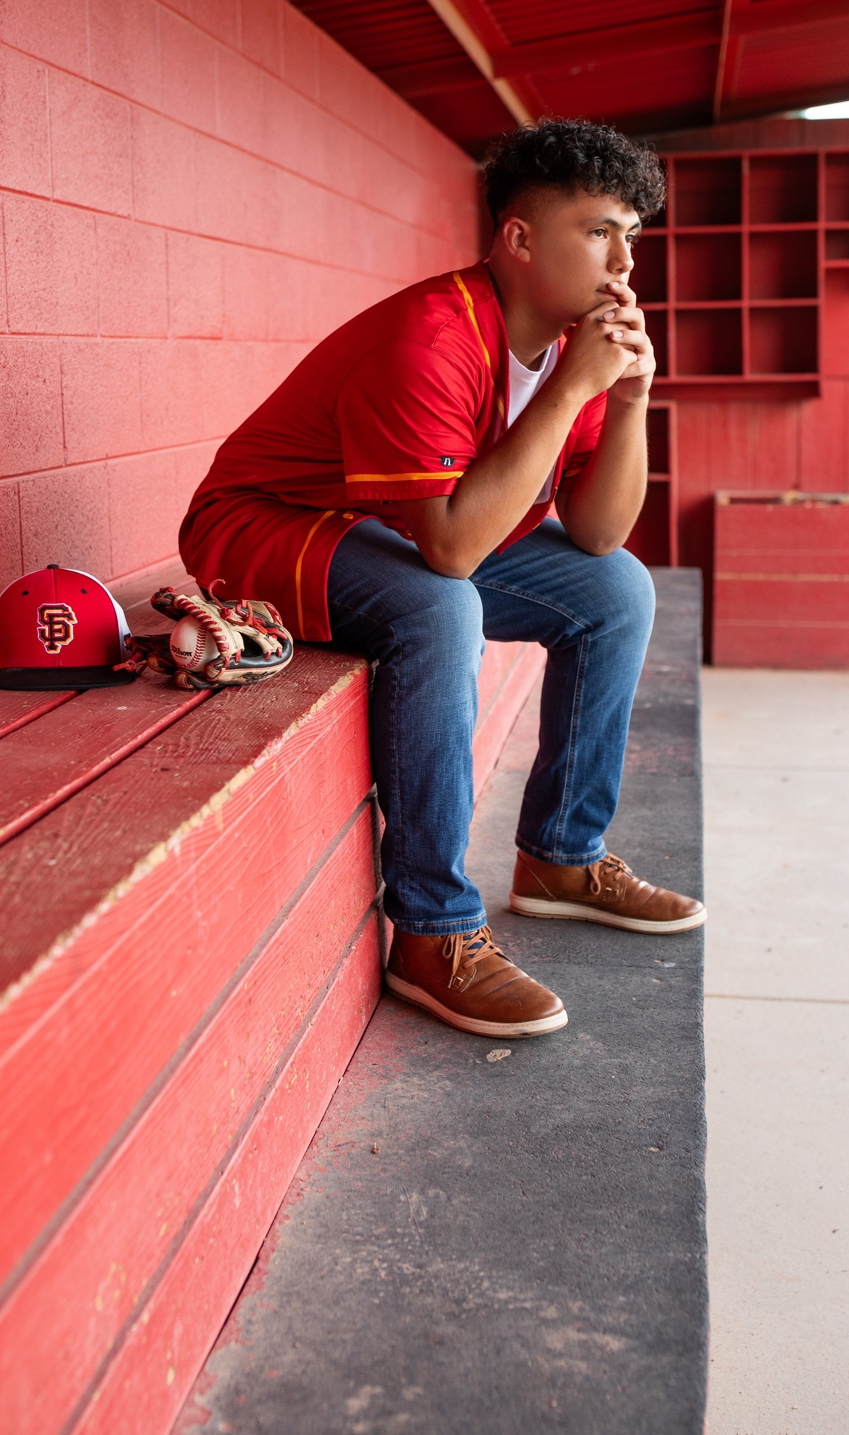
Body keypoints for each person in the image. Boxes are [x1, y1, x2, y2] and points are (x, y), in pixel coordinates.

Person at [178, 117, 704, 1039]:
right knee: (439, 604)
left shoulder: (568, 348)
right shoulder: (430, 336)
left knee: (618, 590)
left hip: (392, 527)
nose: (624, 259)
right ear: (520, 237)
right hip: (265, 524)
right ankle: (430, 930)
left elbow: (598, 533)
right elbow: (454, 553)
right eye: (598, 231)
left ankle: (563, 861)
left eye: (633, 233)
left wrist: (627, 401)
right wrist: (577, 390)